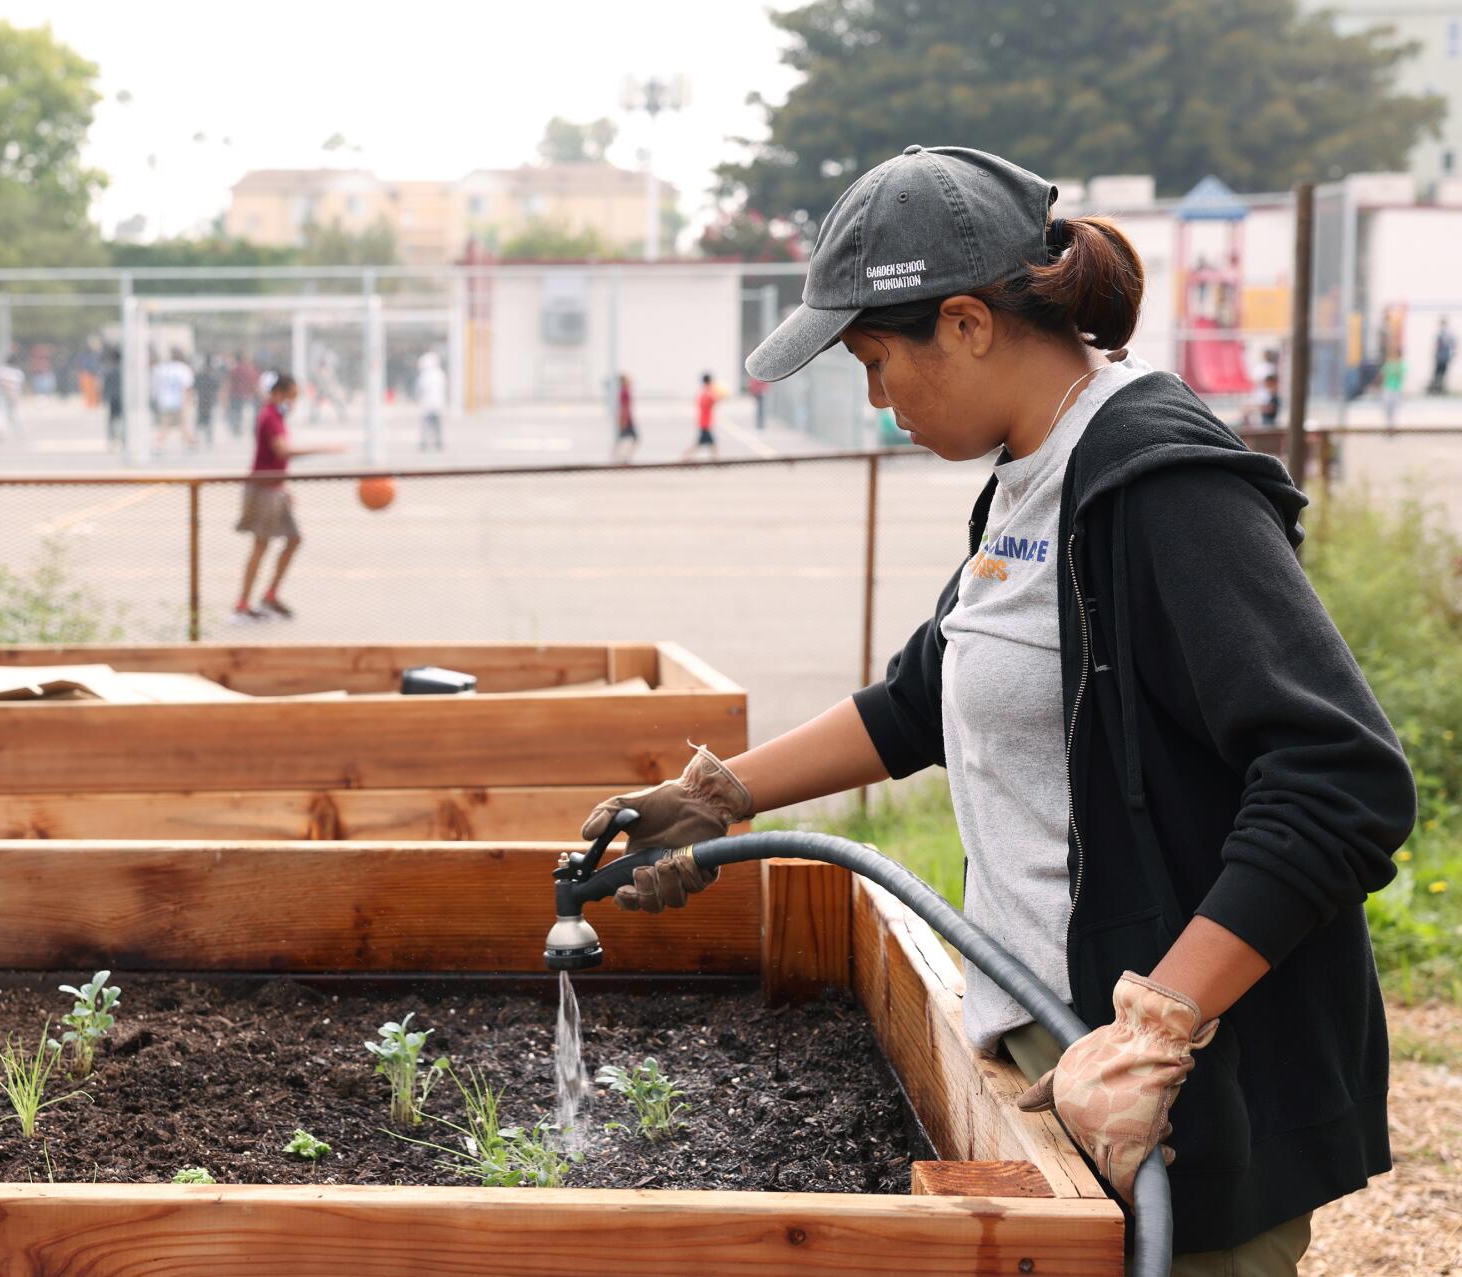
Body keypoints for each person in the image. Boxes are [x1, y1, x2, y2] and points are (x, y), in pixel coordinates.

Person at [582, 145, 1414, 1274]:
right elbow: (928, 693)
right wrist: (715, 796)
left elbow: (1339, 779)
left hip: (1175, 1080)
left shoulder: (1161, 486)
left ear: (967, 323)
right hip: (1049, 1037)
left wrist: (1157, 1023)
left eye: (876, 360)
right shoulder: (1027, 474)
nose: (876, 401)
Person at [234, 372, 342, 622]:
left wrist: (283, 488)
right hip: (262, 491)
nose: (292, 403)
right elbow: (282, 451)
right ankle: (242, 604)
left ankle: (270, 595)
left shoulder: (277, 417)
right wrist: (323, 449)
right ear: (276, 394)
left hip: (275, 489)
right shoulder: (269, 416)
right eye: (290, 397)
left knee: (294, 539)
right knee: (260, 545)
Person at [151, 348, 195, 454]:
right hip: (179, 399)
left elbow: (156, 384)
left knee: (164, 424)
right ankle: (189, 442)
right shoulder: (183, 369)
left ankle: (159, 443)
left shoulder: (163, 368)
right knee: (183, 423)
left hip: (165, 399)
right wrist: (188, 400)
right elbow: (187, 386)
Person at [684, 372, 723, 460]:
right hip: (705, 422)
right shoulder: (707, 392)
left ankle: (716, 459)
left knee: (706, 443)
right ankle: (685, 457)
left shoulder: (703, 391)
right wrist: (719, 398)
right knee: (705, 443)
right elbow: (713, 401)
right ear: (709, 381)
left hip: (704, 421)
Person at [415, 350, 448, 451]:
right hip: (437, 403)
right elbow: (445, 387)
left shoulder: (425, 376)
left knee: (426, 425)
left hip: (427, 404)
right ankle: (438, 442)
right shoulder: (440, 374)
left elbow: (420, 389)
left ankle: (425, 442)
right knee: (437, 425)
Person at [225, 351, 258, 438]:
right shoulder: (248, 369)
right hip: (245, 393)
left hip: (235, 393)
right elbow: (253, 381)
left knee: (236, 411)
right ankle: (238, 428)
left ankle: (236, 427)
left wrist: (226, 394)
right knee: (240, 411)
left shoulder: (233, 369)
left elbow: (228, 382)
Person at [194, 350, 222, 448]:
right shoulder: (213, 374)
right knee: (210, 421)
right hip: (210, 400)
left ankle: (197, 438)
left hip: (201, 400)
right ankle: (209, 440)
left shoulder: (199, 373)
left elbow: (195, 386)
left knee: (199, 420)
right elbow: (217, 387)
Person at [611, 372, 639, 463]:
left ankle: (620, 457)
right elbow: (624, 407)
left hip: (626, 419)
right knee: (633, 438)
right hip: (626, 419)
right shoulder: (624, 392)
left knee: (623, 438)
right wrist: (624, 420)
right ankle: (622, 458)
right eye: (628, 379)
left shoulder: (624, 391)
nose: (631, 381)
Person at [102, 348, 125, 445]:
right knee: (123, 418)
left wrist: (104, 397)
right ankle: (123, 438)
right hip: (122, 397)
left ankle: (111, 438)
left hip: (112, 397)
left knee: (111, 419)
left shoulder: (109, 370)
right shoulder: (124, 371)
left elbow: (105, 385)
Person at [1381, 348, 1405, 433]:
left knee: (1394, 409)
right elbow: (1383, 374)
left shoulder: (1401, 365)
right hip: (1387, 388)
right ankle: (1388, 425)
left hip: (1396, 389)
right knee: (1387, 408)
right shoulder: (1389, 364)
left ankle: (1392, 427)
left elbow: (1400, 375)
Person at [1429, 317, 1453, 396]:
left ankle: (1441, 388)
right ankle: (1436, 388)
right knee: (1437, 373)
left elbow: (1452, 345)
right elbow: (1436, 345)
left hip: (1445, 356)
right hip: (1440, 356)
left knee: (1443, 373)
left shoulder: (1448, 334)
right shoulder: (1439, 334)